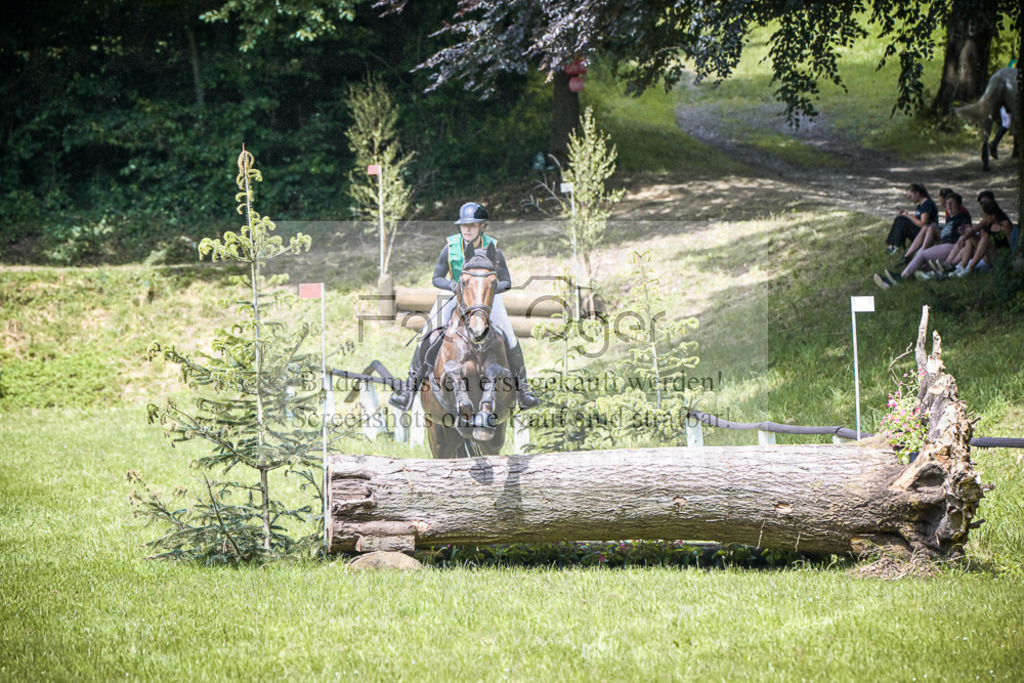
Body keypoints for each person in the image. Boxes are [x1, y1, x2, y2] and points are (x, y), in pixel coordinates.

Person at [389, 202, 541, 411]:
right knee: (427, 332)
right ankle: (409, 388)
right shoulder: (450, 247)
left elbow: (506, 281)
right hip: (454, 294)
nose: (467, 229)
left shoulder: (493, 248)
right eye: (463, 226)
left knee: (509, 335)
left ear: (482, 227)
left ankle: (523, 389)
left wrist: (488, 290)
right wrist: (453, 285)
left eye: (472, 225)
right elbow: (436, 278)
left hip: (486, 298)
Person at [874, 192, 972, 288]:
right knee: (923, 265)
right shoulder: (950, 219)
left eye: (952, 203)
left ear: (959, 205)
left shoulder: (962, 217)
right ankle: (890, 282)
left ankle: (901, 277)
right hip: (945, 245)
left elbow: (968, 231)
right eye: (947, 204)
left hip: (952, 247)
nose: (949, 206)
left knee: (923, 255)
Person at [885, 183, 937, 255]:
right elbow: (917, 218)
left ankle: (895, 245)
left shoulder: (927, 204)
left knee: (901, 222)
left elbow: (923, 224)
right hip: (920, 231)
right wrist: (906, 215)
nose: (910, 199)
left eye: (911, 196)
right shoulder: (920, 205)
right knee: (900, 219)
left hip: (925, 233)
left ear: (917, 194)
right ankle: (893, 244)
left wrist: (908, 215)